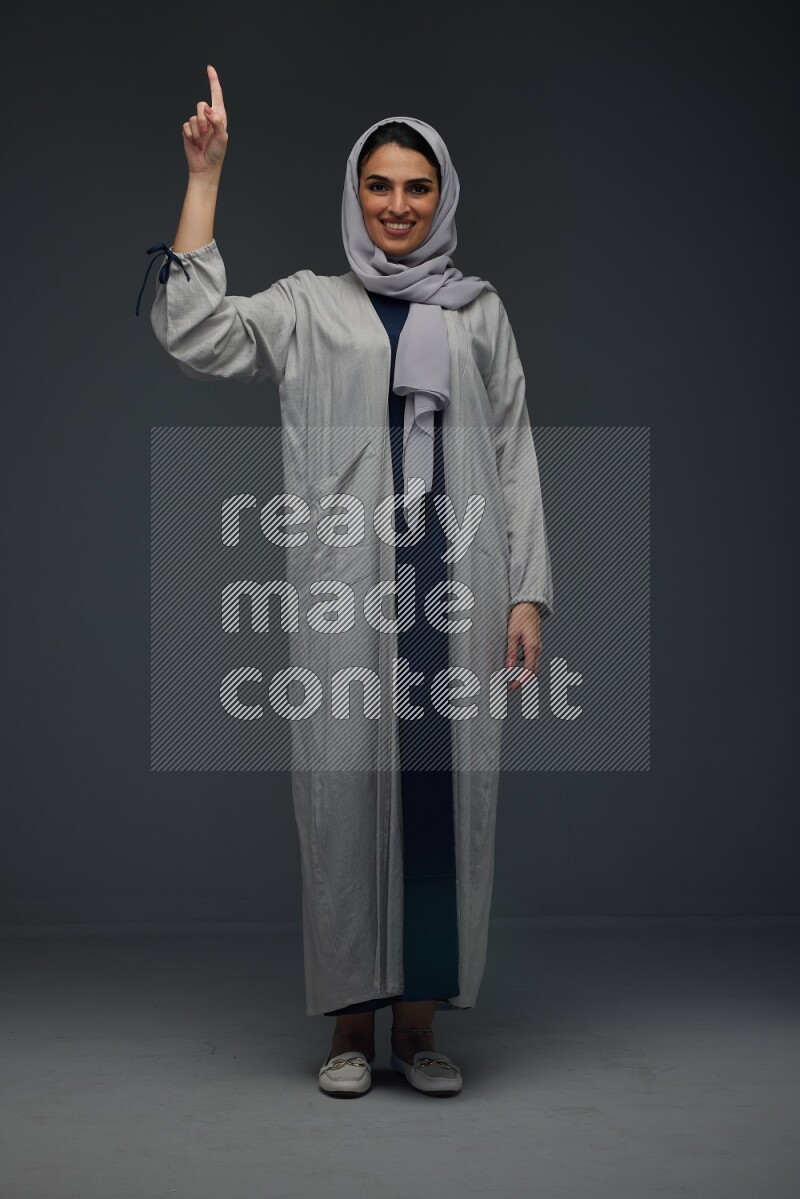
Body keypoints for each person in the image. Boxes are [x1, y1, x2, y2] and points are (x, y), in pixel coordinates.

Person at [141, 65, 554, 1098]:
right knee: (340, 796)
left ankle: (416, 1026)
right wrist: (205, 176)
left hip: (456, 590)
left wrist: (528, 595)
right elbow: (195, 334)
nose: (399, 205)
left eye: (417, 186)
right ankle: (347, 1023)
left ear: (443, 194)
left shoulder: (476, 313)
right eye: (381, 185)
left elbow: (513, 454)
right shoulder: (309, 308)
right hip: (345, 594)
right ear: (354, 192)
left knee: (440, 796)